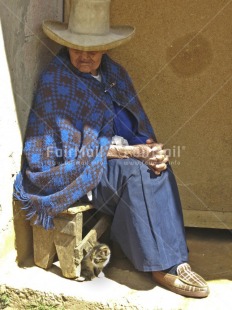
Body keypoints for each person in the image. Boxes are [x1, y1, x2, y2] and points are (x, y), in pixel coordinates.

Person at [14, 0, 209, 298]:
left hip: (116, 165)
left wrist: (150, 148)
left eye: (92, 50)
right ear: (66, 44)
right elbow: (59, 153)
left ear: (106, 48)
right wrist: (131, 154)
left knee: (159, 166)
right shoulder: (57, 81)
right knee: (138, 172)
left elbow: (138, 125)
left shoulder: (115, 74)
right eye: (76, 48)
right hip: (81, 174)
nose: (83, 56)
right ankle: (164, 266)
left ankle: (173, 257)